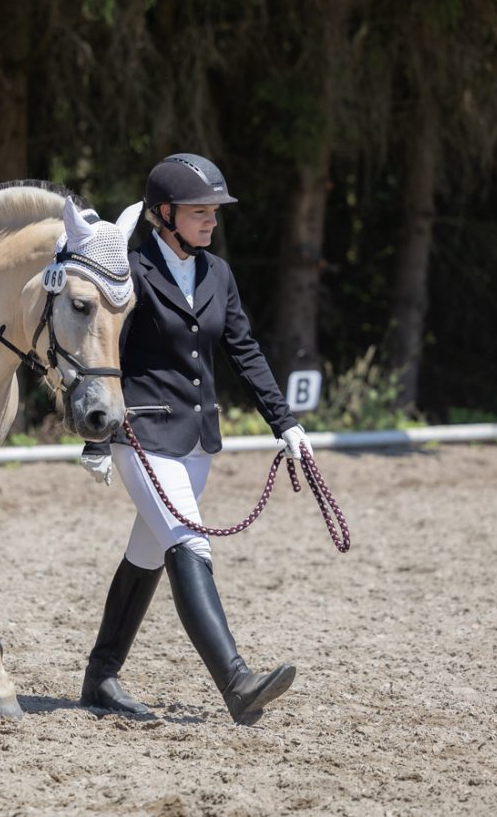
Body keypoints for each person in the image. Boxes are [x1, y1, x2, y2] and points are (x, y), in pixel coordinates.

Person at [78, 152, 313, 726]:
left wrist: (284, 422)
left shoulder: (218, 274)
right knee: (188, 542)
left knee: (147, 552)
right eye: (200, 211)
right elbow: (98, 351)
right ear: (164, 213)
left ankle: (101, 676)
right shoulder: (130, 271)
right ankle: (236, 681)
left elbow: (244, 351)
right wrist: (95, 437)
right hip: (142, 433)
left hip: (197, 440)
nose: (211, 220)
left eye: (214, 211)